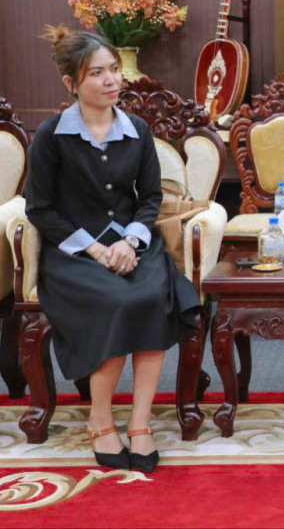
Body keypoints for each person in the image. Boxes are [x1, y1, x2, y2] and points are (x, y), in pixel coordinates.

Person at [26, 25, 200, 472]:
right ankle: (100, 420)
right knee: (114, 301)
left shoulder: (137, 130)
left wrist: (131, 240)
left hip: (133, 244)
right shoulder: (50, 135)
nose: (112, 80)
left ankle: (140, 422)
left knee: (152, 296)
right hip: (73, 253)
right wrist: (96, 250)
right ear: (72, 83)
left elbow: (150, 198)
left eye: (115, 70)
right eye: (98, 73)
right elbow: (40, 209)